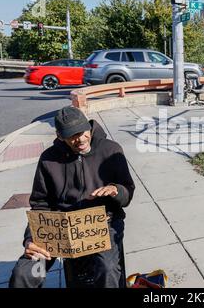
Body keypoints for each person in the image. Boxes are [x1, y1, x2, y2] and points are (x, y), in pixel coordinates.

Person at [9, 106, 135, 288]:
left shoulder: (111, 150)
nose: (81, 139)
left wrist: (116, 190)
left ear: (89, 127)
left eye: (84, 132)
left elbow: (127, 193)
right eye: (72, 135)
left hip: (102, 224)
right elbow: (40, 204)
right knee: (25, 273)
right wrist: (30, 238)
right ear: (60, 136)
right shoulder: (48, 159)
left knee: (106, 268)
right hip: (59, 228)